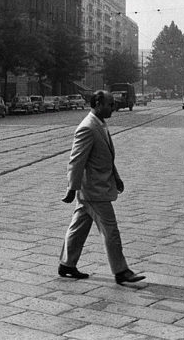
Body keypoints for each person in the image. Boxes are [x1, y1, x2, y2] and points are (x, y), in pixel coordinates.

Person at [59, 90, 145, 285]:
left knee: (79, 227)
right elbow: (76, 161)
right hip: (94, 191)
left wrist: (116, 177)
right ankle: (121, 271)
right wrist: (71, 188)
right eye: (109, 104)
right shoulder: (87, 128)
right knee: (110, 230)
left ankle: (67, 264)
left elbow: (103, 157)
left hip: (94, 188)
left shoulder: (99, 124)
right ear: (98, 103)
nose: (113, 108)